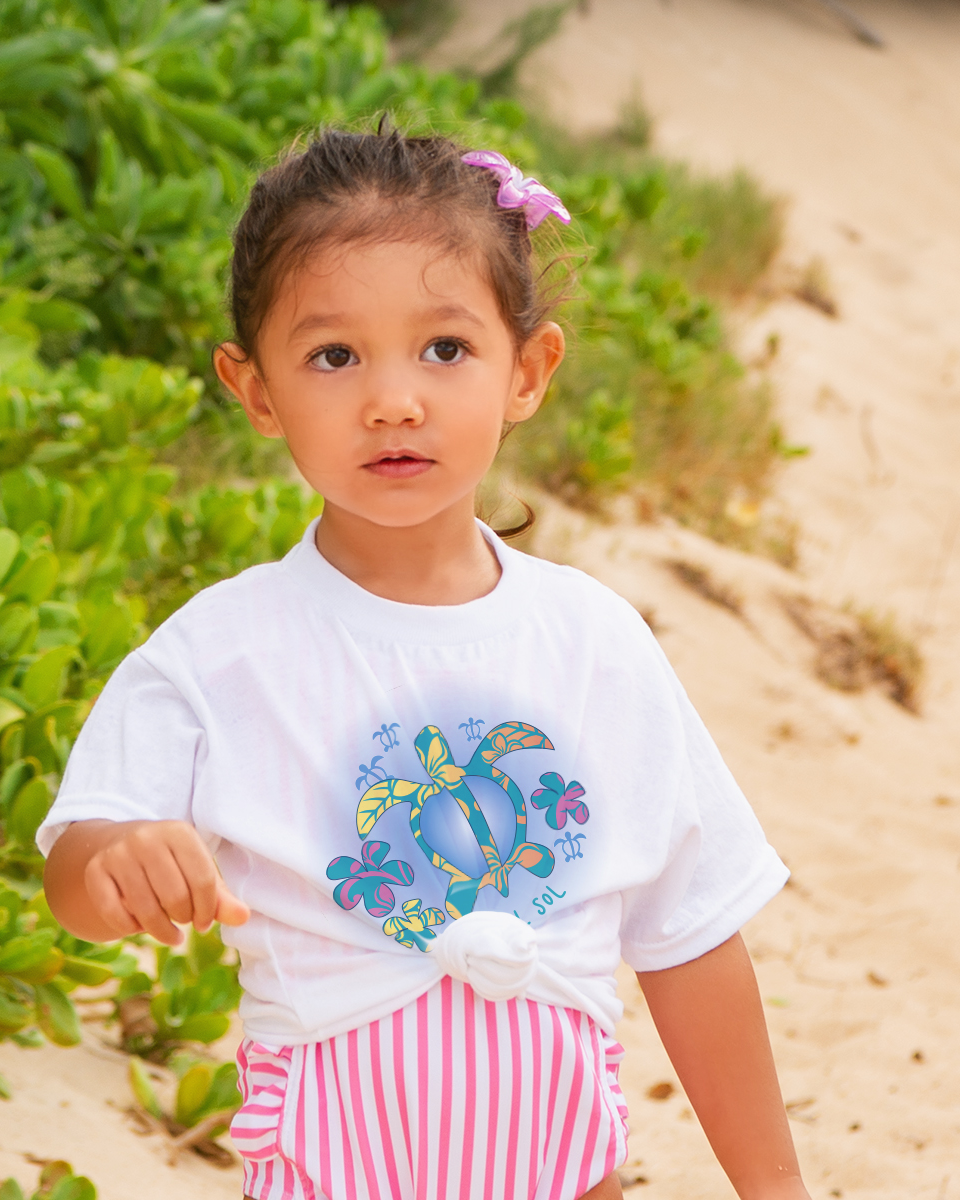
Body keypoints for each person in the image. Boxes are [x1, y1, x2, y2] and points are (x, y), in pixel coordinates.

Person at [41, 126, 810, 1200]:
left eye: (445, 350)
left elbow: (688, 939)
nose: (393, 399)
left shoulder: (593, 643)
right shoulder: (221, 652)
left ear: (528, 370)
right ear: (255, 390)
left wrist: (778, 1193)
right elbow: (77, 872)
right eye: (333, 355)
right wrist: (115, 859)